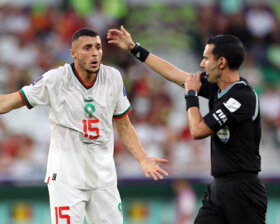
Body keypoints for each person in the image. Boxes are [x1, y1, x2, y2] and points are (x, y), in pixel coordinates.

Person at [0, 28, 168, 224]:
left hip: (103, 177)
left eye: (98, 47)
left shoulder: (113, 77)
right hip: (66, 178)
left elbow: (123, 125)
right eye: (87, 48)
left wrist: (143, 158)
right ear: (73, 54)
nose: (95, 53)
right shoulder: (55, 79)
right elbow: (8, 102)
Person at [107, 26, 267, 224]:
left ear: (222, 62)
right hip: (218, 188)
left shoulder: (243, 96)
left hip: (244, 191)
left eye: (206, 58)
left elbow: (198, 131)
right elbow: (173, 73)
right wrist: (134, 48)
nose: (201, 63)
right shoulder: (217, 87)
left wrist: (191, 96)